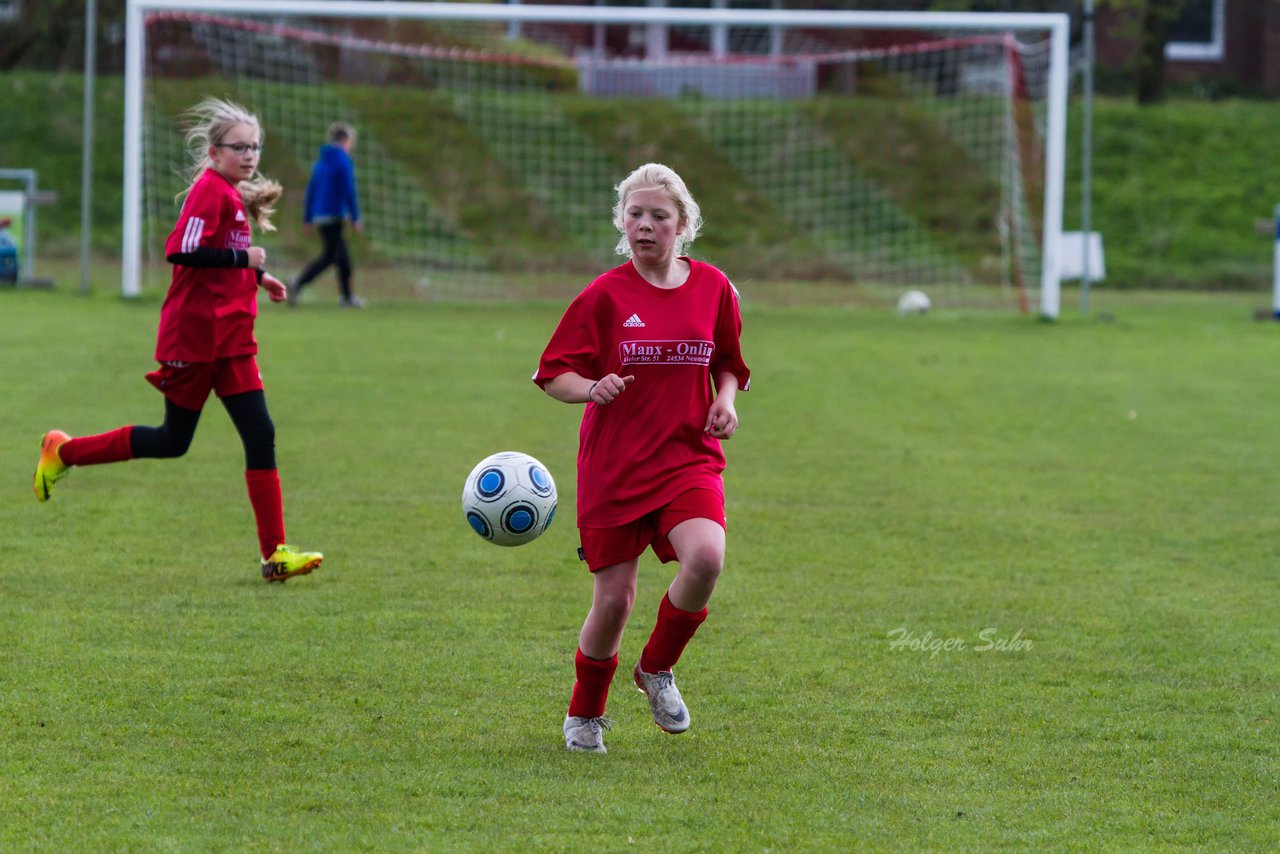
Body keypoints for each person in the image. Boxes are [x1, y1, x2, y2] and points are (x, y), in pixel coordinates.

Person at [33, 97, 323, 583]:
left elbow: (225, 254)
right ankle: (63, 452)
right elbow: (182, 251)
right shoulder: (209, 192)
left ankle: (275, 556)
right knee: (172, 441)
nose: (250, 156)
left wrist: (260, 277)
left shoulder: (231, 194)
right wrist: (245, 263)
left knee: (261, 434)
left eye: (255, 147)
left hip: (232, 342)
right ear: (214, 153)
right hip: (193, 340)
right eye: (239, 147)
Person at [533, 163, 750, 753]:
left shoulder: (712, 287)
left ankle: (656, 668)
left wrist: (725, 401)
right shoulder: (603, 295)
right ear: (621, 222)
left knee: (705, 558)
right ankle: (585, 714)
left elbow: (728, 362)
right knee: (615, 601)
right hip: (615, 466)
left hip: (688, 458)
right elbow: (552, 374)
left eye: (659, 215)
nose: (645, 225)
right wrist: (590, 388)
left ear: (683, 224)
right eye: (635, 214)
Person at [290, 122, 364, 308]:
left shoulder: (321, 161)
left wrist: (307, 218)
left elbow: (312, 190)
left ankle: (346, 297)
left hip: (319, 216)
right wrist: (355, 216)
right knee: (330, 256)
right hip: (333, 215)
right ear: (345, 140)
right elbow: (348, 190)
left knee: (342, 257)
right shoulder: (342, 160)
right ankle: (297, 283)